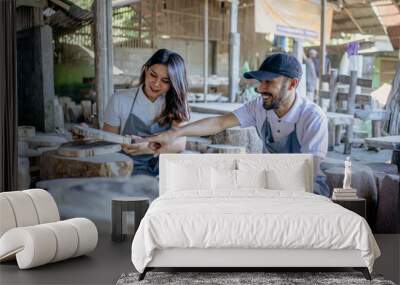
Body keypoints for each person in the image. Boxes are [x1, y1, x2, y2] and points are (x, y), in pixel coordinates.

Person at [148, 53, 331, 197]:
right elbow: (219, 122)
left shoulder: (312, 118)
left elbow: (309, 171)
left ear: (292, 84)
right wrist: (174, 134)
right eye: (260, 82)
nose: (260, 89)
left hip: (306, 188)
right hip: (270, 179)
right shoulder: (259, 106)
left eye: (269, 82)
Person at [103, 49, 190, 176]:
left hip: (161, 171)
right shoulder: (119, 99)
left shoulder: (177, 103)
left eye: (165, 81)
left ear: (174, 83)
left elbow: (180, 143)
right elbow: (107, 142)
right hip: (125, 170)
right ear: (145, 70)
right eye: (153, 75)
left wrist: (149, 147)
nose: (156, 84)